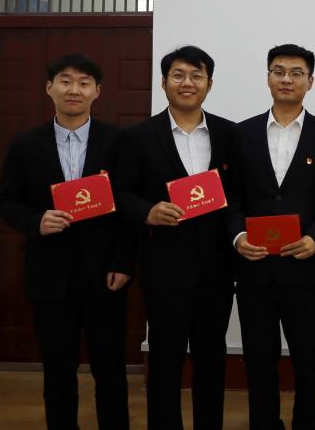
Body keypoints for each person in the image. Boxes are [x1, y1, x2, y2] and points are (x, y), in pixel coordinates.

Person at [0, 53, 134, 430]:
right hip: (49, 274)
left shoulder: (118, 141)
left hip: (106, 276)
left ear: (97, 91)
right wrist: (36, 220)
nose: (74, 89)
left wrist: (123, 262)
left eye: (84, 83)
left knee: (111, 371)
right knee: (58, 372)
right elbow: (5, 201)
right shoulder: (25, 145)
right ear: (49, 88)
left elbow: (128, 205)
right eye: (66, 81)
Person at [113, 45, 236, 430]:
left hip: (217, 269)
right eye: (179, 75)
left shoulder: (230, 134)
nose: (188, 83)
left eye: (197, 76)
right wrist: (146, 211)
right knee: (165, 361)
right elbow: (121, 193)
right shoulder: (137, 137)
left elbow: (241, 194)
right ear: (164, 82)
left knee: (212, 361)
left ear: (209, 84)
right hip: (164, 267)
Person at [230, 44, 315, 430]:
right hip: (255, 268)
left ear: (310, 82)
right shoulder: (241, 133)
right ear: (267, 78)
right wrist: (238, 236)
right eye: (278, 71)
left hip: (306, 268)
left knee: (310, 363)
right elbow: (231, 198)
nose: (286, 79)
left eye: (296, 73)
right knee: (258, 361)